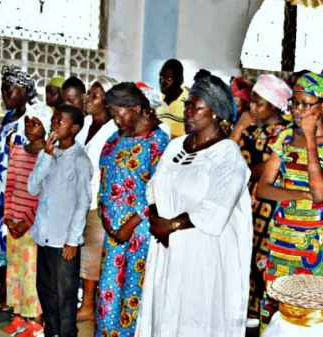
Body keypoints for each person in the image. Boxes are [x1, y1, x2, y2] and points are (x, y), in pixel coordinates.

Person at [137, 69, 252, 337]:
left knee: (194, 315)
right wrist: (156, 219)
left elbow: (216, 210)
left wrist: (171, 225)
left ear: (214, 112)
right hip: (167, 248)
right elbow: (154, 186)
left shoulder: (227, 156)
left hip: (202, 253)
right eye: (187, 105)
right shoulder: (176, 147)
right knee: (165, 310)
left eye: (195, 107)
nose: (187, 111)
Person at [256, 73, 323, 332]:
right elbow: (264, 188)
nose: (299, 110)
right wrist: (299, 195)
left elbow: (321, 194)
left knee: (307, 313)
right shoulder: (285, 138)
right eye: (295, 103)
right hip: (281, 238)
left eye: (306, 104)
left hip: (313, 242)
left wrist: (310, 139)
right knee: (277, 307)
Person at [95, 82, 169, 336]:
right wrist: (105, 216)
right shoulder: (114, 139)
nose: (116, 120)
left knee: (133, 295)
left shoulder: (158, 141)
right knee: (108, 296)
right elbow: (105, 179)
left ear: (137, 108)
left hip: (140, 233)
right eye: (113, 114)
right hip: (113, 232)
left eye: (120, 113)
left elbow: (159, 191)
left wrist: (129, 224)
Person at [230, 74, 292, 323]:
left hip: (270, 212)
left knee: (263, 266)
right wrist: (238, 129)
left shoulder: (287, 135)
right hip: (244, 208)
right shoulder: (248, 130)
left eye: (259, 103)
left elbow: (253, 170)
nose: (252, 108)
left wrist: (247, 170)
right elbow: (226, 163)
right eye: (251, 102)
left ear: (276, 105)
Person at [28, 104, 92, 337]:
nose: (53, 125)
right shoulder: (49, 153)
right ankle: (51, 333)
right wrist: (44, 157)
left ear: (74, 128)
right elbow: (32, 187)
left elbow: (82, 203)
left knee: (65, 298)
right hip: (44, 236)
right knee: (46, 292)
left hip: (63, 241)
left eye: (59, 122)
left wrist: (72, 241)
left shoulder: (80, 161)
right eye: (53, 121)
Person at [0, 66, 36, 304]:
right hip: (0, 186)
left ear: (24, 90)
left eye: (9, 89)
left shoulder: (33, 118)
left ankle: (15, 293)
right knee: (2, 236)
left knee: (14, 238)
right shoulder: (9, 116)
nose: (4, 95)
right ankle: (7, 288)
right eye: (2, 89)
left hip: (18, 188)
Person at [1, 105, 51, 337]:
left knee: (31, 273)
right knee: (15, 270)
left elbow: (44, 196)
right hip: (14, 224)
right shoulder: (18, 151)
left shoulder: (49, 157)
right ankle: (19, 315)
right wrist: (9, 216)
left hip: (33, 227)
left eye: (36, 123)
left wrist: (25, 223)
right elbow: (10, 185)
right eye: (28, 122)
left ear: (46, 127)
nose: (30, 127)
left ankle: (36, 320)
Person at [74, 75, 118, 321]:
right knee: (79, 253)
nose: (88, 98)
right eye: (89, 93)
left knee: (91, 254)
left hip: (96, 200)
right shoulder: (84, 123)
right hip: (77, 199)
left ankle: (89, 305)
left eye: (95, 95)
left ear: (108, 102)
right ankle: (82, 300)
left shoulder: (113, 131)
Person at [156, 59, 189, 138]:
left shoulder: (189, 101)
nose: (162, 82)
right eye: (161, 77)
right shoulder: (156, 100)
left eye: (169, 79)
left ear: (180, 80)